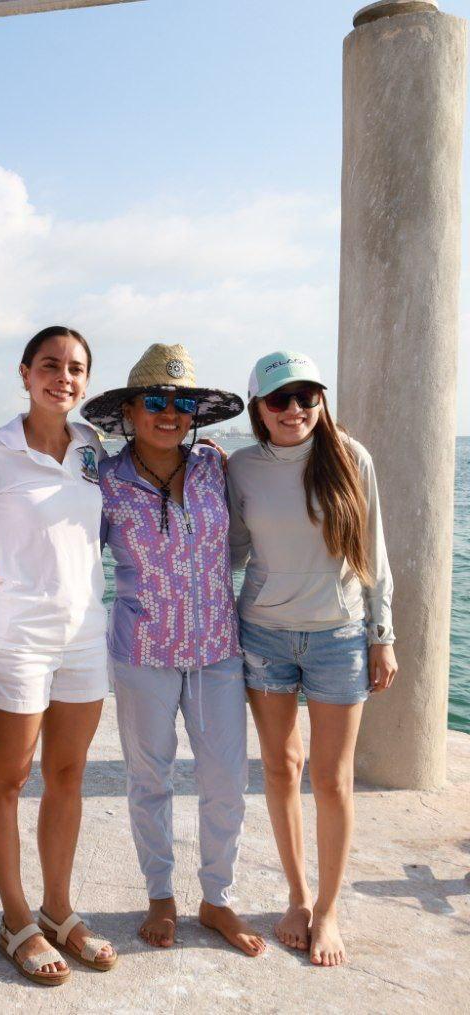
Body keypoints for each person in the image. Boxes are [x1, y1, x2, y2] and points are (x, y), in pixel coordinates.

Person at [80, 343, 266, 958]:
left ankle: (217, 898)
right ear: (130, 412)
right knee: (149, 779)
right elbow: (70, 548)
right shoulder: (105, 479)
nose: (169, 413)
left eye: (181, 403)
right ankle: (160, 893)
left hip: (217, 648)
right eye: (155, 400)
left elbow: (260, 519)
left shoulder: (216, 466)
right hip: (141, 651)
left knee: (226, 780)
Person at [228, 351, 396, 967]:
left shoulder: (352, 458)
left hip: (338, 637)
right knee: (280, 769)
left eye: (307, 397)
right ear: (259, 408)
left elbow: (373, 553)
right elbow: (231, 551)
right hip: (264, 635)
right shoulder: (241, 467)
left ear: (321, 402)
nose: (295, 409)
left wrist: (382, 634)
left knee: (331, 780)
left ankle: (328, 909)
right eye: (280, 399)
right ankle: (296, 897)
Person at [0, 326, 117, 986]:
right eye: (51, 365)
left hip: (86, 633)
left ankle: (58, 910)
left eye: (76, 368)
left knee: (68, 775)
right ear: (26, 372)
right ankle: (15, 919)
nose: (64, 377)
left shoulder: (94, 447)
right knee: (7, 781)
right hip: (18, 637)